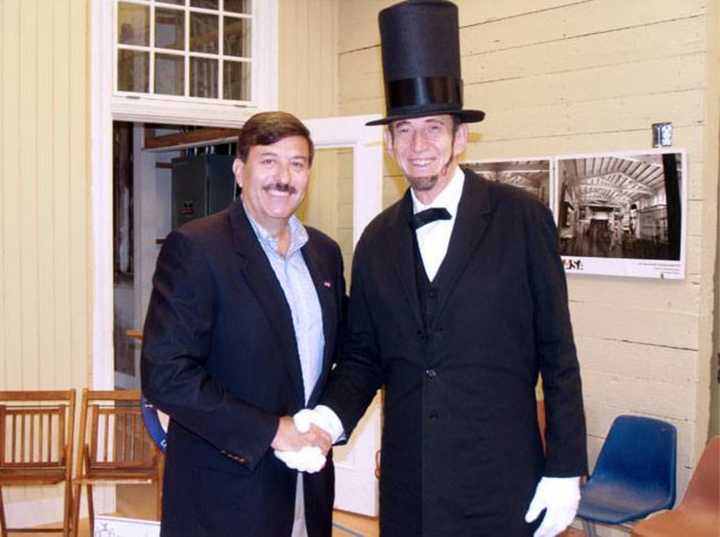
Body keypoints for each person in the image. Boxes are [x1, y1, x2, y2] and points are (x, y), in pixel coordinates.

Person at [297, 2, 588, 536]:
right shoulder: (377, 239)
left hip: (502, 482)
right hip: (412, 488)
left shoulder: (522, 219)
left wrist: (565, 466)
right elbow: (364, 357)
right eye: (405, 130)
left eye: (434, 128)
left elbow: (558, 354)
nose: (419, 144)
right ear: (389, 144)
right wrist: (327, 420)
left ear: (460, 137)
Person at [141, 111, 346, 537]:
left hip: (307, 489)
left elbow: (340, 356)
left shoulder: (325, 254)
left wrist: (330, 421)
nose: (283, 177)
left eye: (297, 163)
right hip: (223, 495)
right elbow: (166, 375)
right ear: (239, 170)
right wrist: (273, 431)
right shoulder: (197, 248)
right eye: (269, 161)